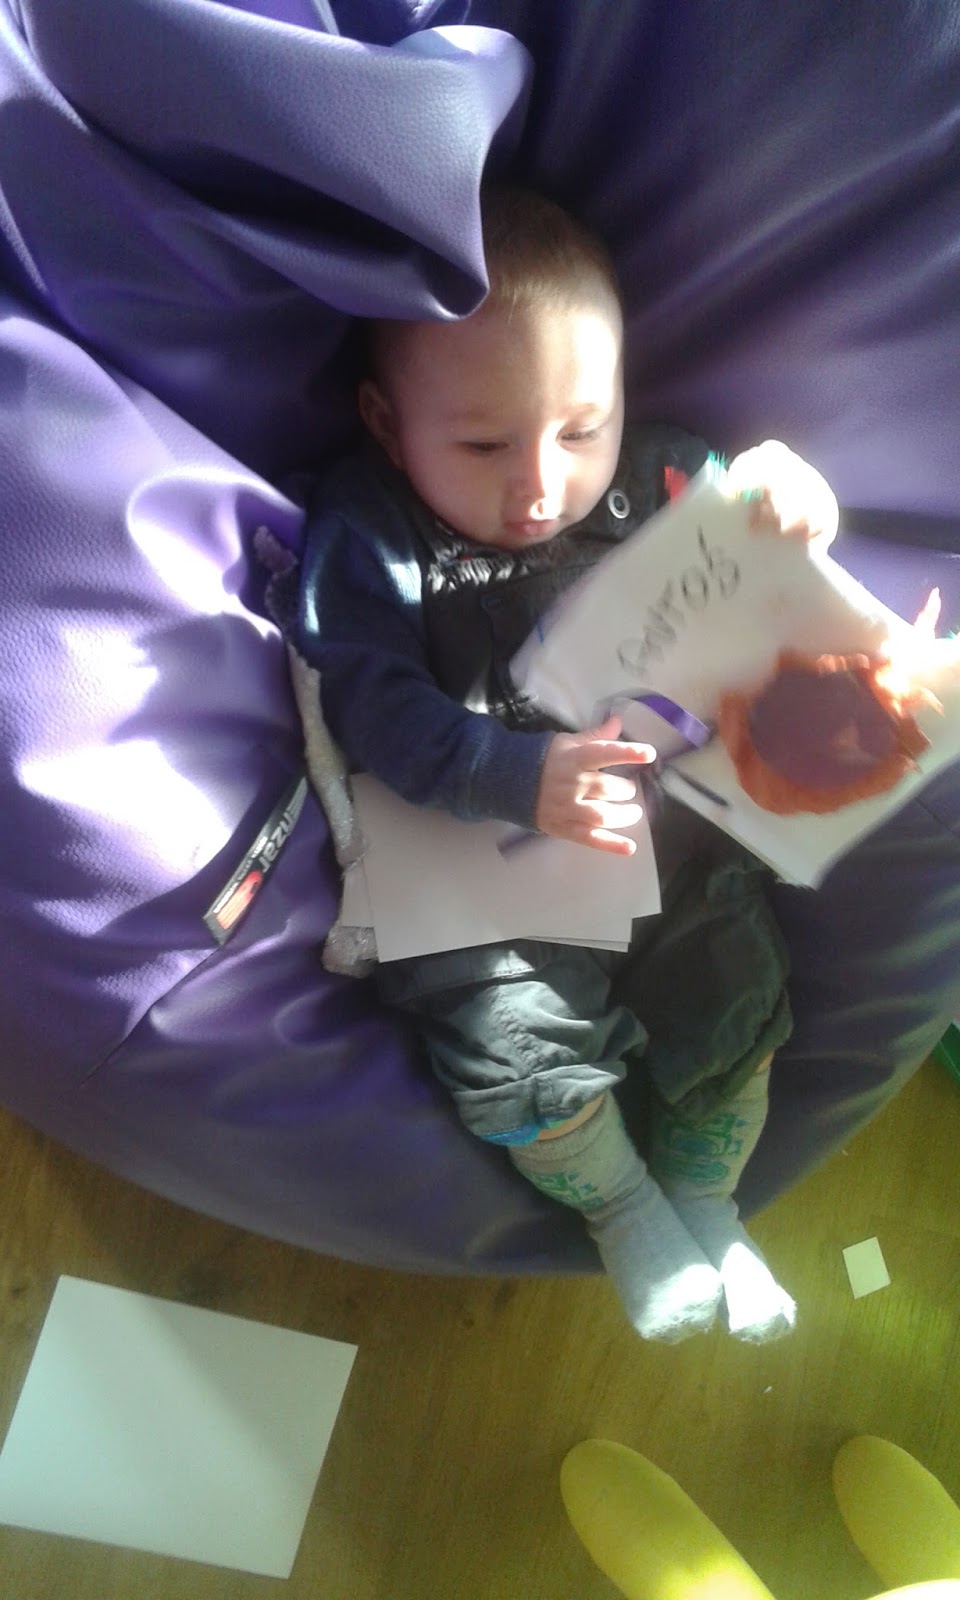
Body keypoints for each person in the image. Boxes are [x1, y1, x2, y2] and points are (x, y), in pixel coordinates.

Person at [296, 185, 839, 1344]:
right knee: (508, 1042)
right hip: (485, 878)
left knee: (735, 997)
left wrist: (794, 503)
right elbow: (367, 695)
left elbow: (751, 535)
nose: (539, 486)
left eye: (582, 429)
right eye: (483, 443)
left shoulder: (658, 478)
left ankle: (710, 1202)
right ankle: (628, 1209)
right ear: (386, 422)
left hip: (673, 850)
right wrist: (501, 771)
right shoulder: (371, 529)